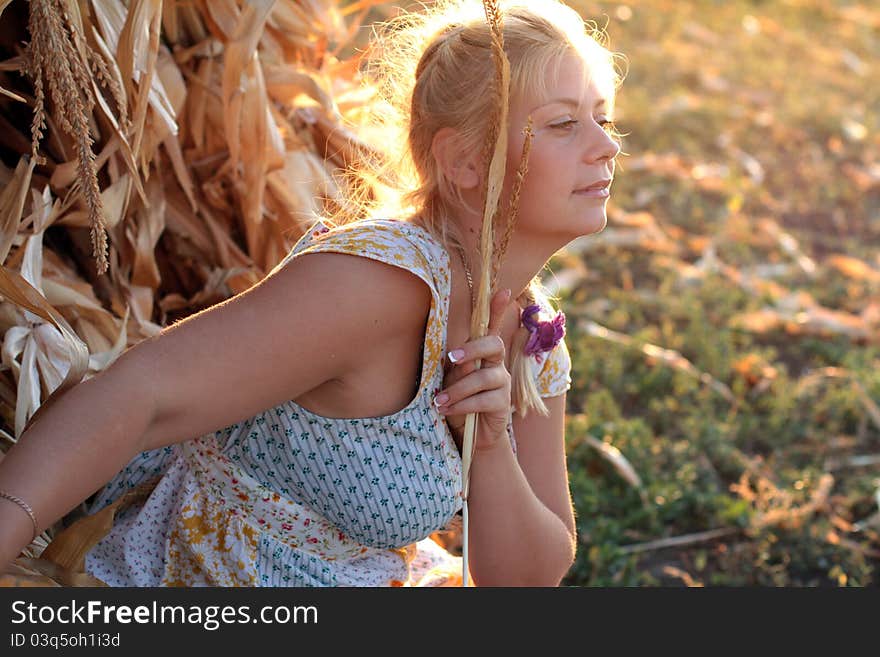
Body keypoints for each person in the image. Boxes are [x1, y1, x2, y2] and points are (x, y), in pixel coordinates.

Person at [0, 0, 621, 586]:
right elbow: (139, 394)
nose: (607, 146)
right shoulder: (380, 284)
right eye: (565, 124)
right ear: (465, 162)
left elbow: (524, 580)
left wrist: (490, 442)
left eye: (604, 117)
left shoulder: (534, 344)